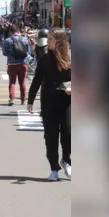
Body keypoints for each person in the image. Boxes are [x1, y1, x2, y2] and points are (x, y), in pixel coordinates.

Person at [27, 29, 71, 181]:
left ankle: (66, 159)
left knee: (69, 134)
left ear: (59, 41)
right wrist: (30, 100)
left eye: (51, 39)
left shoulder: (71, 57)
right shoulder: (45, 58)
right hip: (49, 103)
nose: (48, 42)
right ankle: (54, 169)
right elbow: (37, 80)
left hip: (68, 102)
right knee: (51, 137)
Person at [1, 25, 31, 106]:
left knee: (12, 82)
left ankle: (12, 98)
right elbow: (28, 52)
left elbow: (4, 53)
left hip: (12, 64)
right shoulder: (25, 39)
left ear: (10, 32)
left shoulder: (7, 40)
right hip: (23, 63)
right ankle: (23, 99)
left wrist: (11, 55)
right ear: (18, 31)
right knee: (22, 82)